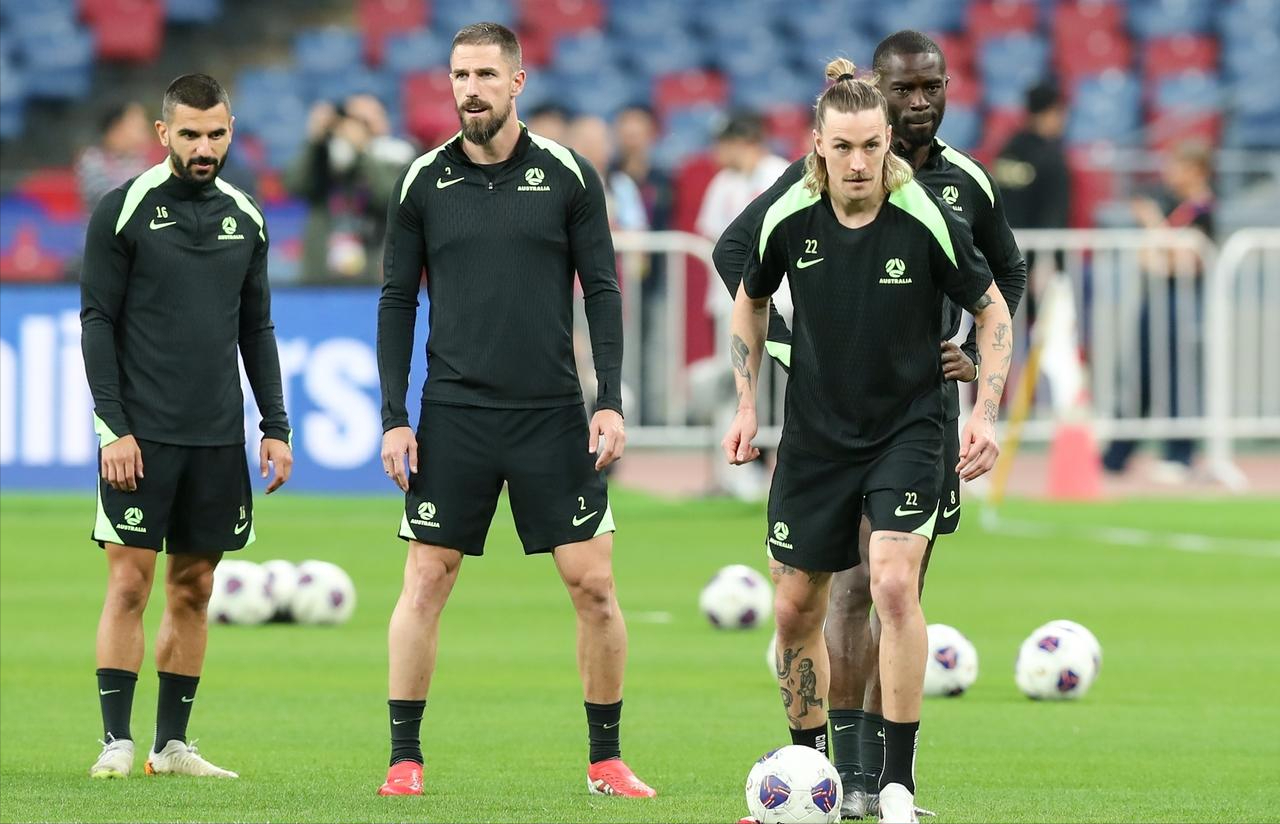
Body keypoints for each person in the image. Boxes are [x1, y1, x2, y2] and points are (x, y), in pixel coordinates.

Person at [714, 30, 1028, 819]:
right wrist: (752, 394)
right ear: (818, 146)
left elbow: (995, 302)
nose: (858, 163)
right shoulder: (790, 210)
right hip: (817, 435)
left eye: (870, 147)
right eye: (843, 148)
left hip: (909, 427)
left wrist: (985, 407)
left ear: (887, 143)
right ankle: (814, 771)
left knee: (890, 581)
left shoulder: (929, 210)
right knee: (797, 606)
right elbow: (748, 294)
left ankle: (893, 783)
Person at [374, 23, 655, 800]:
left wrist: (609, 402)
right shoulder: (422, 182)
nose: (471, 89)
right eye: (460, 75)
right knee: (426, 579)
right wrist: (394, 415)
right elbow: (397, 300)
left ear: (517, 82)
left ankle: (606, 761)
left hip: (550, 414)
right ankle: (404, 760)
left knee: (594, 585)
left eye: (486, 75)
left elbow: (603, 290)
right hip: (454, 413)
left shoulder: (568, 176)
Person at [80, 73, 293, 780]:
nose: (205, 147)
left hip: (216, 438)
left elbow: (256, 328)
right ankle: (115, 740)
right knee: (130, 586)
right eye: (191, 134)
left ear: (231, 132)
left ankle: (170, 746)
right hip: (141, 437)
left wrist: (274, 423)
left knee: (195, 589)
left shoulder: (246, 217)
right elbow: (97, 321)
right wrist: (113, 428)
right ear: (164, 133)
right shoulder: (123, 209)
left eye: (217, 134)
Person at [1101, 140, 1215, 482]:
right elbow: (1151, 258)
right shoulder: (1176, 208)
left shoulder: (1203, 212)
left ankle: (1180, 455)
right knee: (1140, 377)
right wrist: (1163, 252)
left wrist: (1154, 226)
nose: (1169, 174)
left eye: (1177, 166)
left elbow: (1186, 262)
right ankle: (1116, 456)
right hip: (1157, 300)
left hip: (1183, 304)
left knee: (1180, 379)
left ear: (1196, 171)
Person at [696, 111, 791, 500]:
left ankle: (783, 469)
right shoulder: (723, 183)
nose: (718, 152)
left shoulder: (780, 174)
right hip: (731, 301)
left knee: (782, 389)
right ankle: (739, 471)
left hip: (782, 302)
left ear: (743, 141)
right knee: (740, 385)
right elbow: (713, 240)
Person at [284, 93, 416, 281]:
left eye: (364, 122)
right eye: (349, 119)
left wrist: (364, 151)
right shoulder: (324, 156)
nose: (355, 128)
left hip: (376, 276)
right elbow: (294, 185)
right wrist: (315, 141)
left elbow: (391, 198)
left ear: (385, 122)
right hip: (319, 279)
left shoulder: (400, 156)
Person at [76, 101, 154, 207]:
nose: (145, 130)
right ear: (117, 127)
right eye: (137, 125)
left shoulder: (141, 161)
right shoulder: (93, 159)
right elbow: (107, 200)